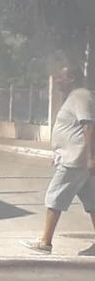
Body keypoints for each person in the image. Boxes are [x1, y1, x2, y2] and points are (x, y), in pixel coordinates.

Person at [21, 66, 95, 255]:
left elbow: (88, 126)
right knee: (92, 201)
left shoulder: (80, 95)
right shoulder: (74, 96)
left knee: (54, 197)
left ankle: (45, 241)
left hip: (75, 160)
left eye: (61, 77)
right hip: (74, 157)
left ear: (71, 79)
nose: (57, 80)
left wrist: (90, 157)